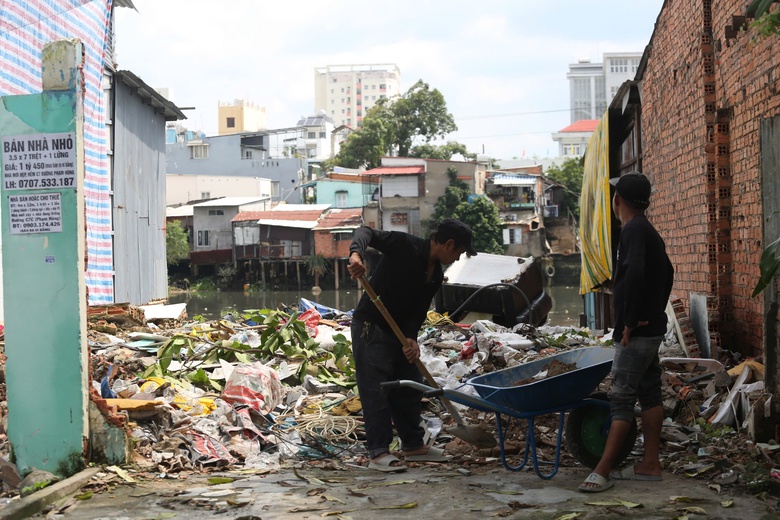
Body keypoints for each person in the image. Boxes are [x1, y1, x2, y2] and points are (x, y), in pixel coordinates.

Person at [347, 219, 477, 472]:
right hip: (372, 327)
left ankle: (413, 445)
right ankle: (378, 453)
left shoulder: (435, 275)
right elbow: (366, 232)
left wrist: (410, 338)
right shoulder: (404, 244)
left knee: (409, 386)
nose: (458, 257)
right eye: (460, 251)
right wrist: (356, 255)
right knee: (377, 389)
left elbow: (417, 310)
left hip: (398, 333)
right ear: (449, 244)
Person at [579, 171, 674, 493]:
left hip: (635, 333)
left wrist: (631, 321)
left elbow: (633, 274)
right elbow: (668, 272)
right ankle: (650, 464)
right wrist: (654, 312)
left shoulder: (633, 230)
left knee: (620, 398)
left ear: (617, 199)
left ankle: (602, 471)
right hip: (650, 328)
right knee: (649, 392)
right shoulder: (647, 230)